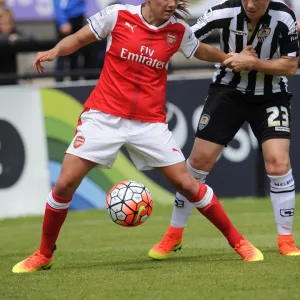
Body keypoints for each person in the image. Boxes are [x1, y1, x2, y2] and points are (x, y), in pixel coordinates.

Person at [12, 0, 263, 274]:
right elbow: (79, 38)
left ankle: (239, 242)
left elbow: (201, 51)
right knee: (63, 185)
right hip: (104, 117)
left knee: (188, 185)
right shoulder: (118, 15)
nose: (171, 4)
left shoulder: (178, 30)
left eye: (174, 0)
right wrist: (54, 51)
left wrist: (231, 57)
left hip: (149, 123)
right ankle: (44, 254)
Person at [148, 0, 300, 261]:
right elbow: (188, 40)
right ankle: (174, 234)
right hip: (227, 92)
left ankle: (286, 239)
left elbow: (290, 66)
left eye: (258, 0)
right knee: (196, 164)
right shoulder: (223, 12)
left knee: (278, 163)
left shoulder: (283, 17)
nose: (251, 5)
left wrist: (252, 63)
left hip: (271, 95)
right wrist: (229, 59)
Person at [54, 0, 86, 81]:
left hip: (78, 17)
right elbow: (58, 4)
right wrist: (63, 21)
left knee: (76, 53)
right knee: (61, 52)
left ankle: (75, 82)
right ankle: (59, 83)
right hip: (66, 20)